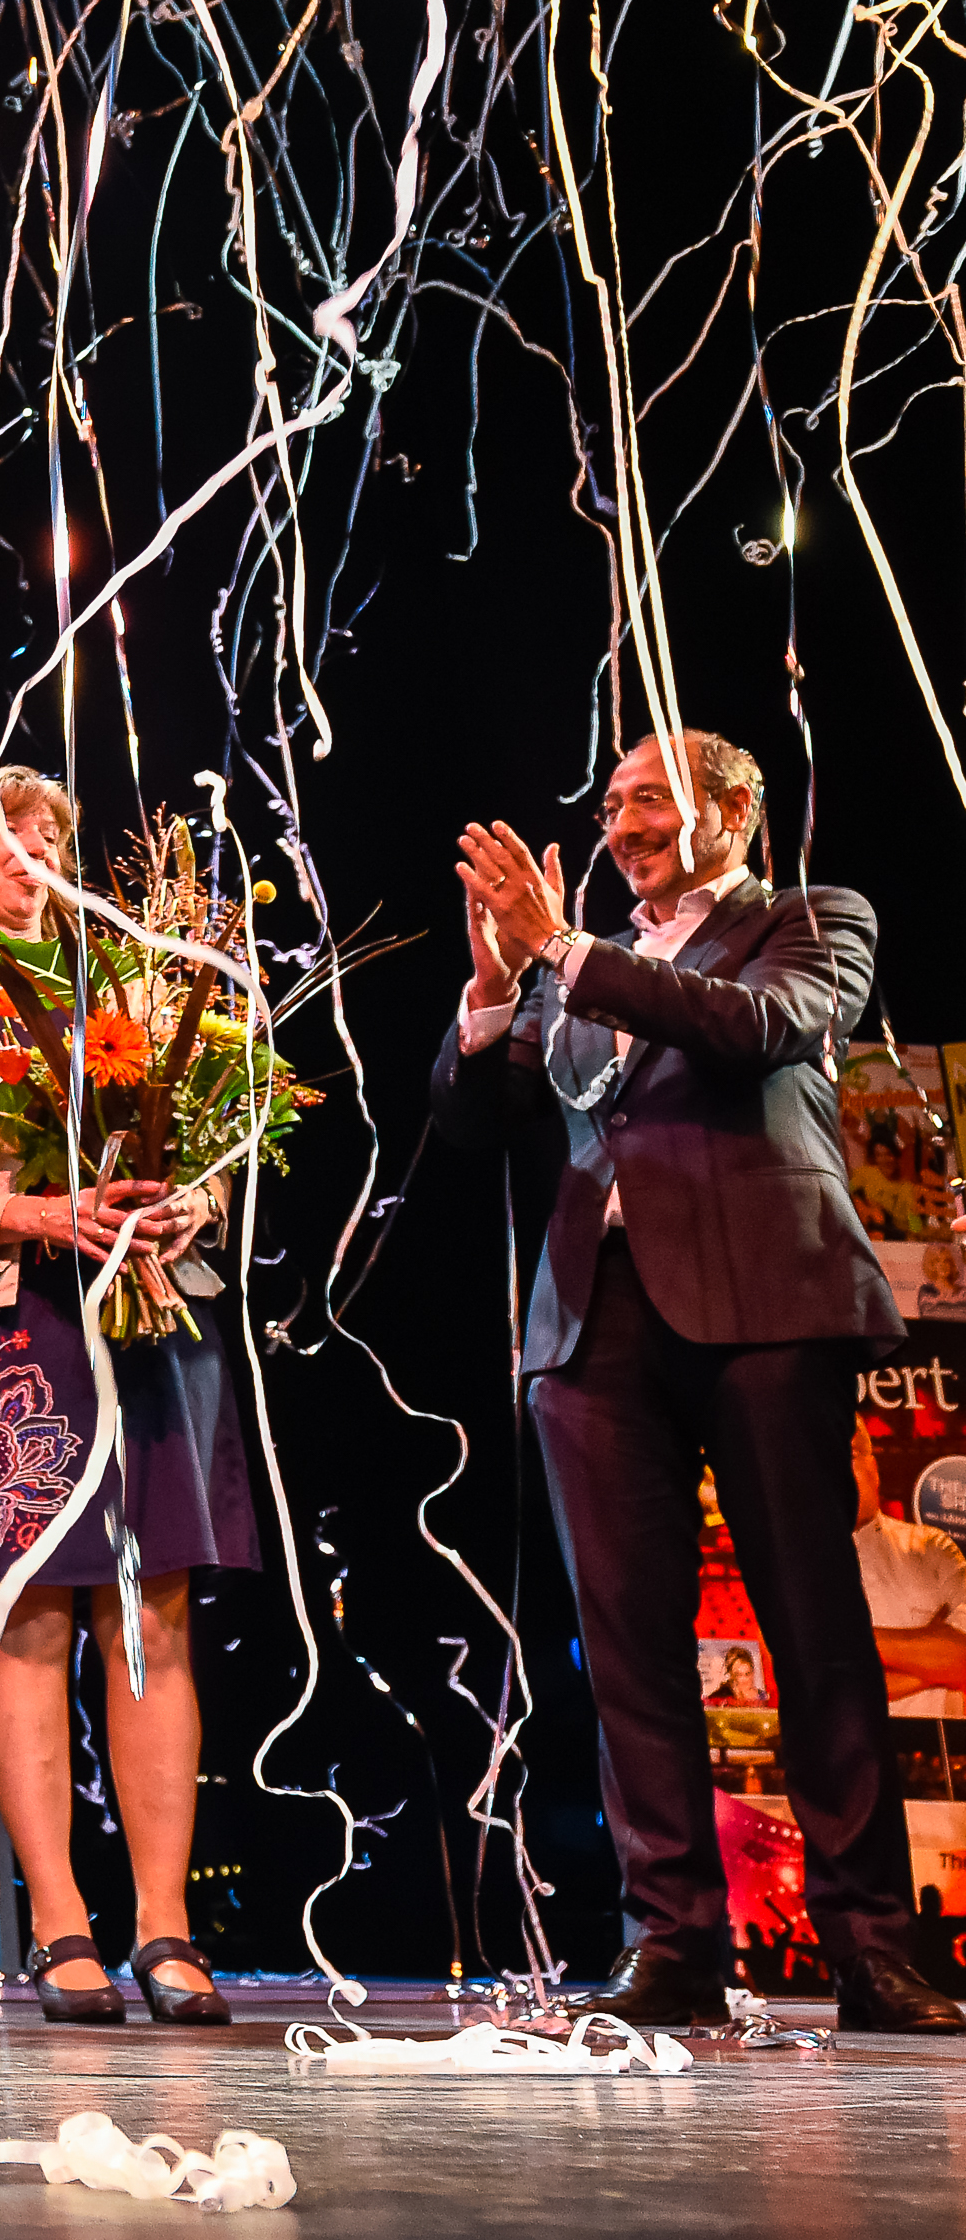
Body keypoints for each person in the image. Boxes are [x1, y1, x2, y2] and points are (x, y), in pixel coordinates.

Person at [435, 725, 962, 2034]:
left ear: (731, 809)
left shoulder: (805, 920)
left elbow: (757, 1031)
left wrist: (560, 949)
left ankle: (871, 1944)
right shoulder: (566, 969)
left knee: (813, 1632)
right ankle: (670, 1937)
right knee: (625, 1647)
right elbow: (468, 1126)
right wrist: (496, 989)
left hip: (762, 1307)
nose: (621, 824)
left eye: (649, 799)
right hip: (589, 1327)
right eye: (609, 803)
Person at [0, 765, 252, 2027]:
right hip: (6, 1325)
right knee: (26, 1619)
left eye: (51, 835)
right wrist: (31, 1212)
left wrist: (192, 1199)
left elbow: (212, 1150)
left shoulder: (138, 991)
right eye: (6, 834)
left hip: (148, 1317)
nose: (34, 850)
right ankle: (59, 1924)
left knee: (152, 1612)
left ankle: (166, 1925)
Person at [853, 1423, 966, 1715]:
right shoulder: (788, 1562)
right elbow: (802, 1684)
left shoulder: (932, 1546)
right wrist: (934, 1657)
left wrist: (836, 1639)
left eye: (849, 1455)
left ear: (873, 1468)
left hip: (939, 1753)